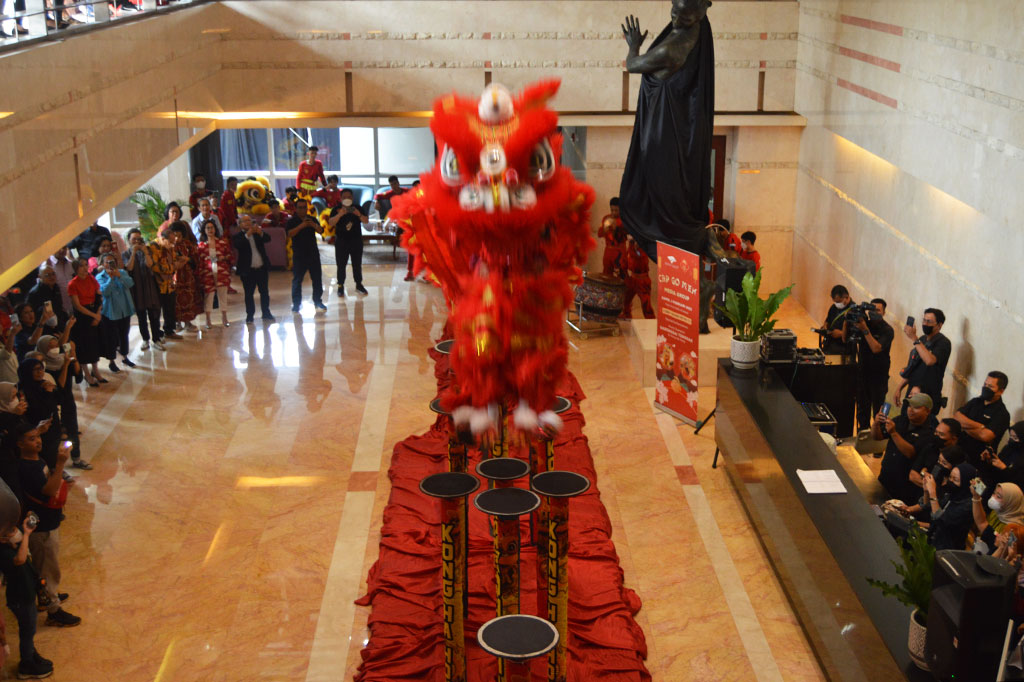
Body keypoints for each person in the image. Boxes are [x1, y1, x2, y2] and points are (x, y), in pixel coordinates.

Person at [14, 428, 80, 628]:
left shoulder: (37, 461)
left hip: (48, 522)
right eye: (31, 439)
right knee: (48, 566)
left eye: (38, 437)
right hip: (42, 527)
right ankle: (53, 609)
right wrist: (60, 464)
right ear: (20, 444)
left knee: (46, 565)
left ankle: (48, 594)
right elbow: (49, 491)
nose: (38, 442)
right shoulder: (27, 467)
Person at [0, 485, 55, 680]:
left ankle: (31, 653)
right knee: (27, 630)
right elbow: (20, 559)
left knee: (29, 630)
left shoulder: (9, 545)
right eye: (10, 529)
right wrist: (27, 535)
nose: (15, 531)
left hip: (26, 594)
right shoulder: (5, 553)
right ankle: (26, 663)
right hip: (20, 599)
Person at [36, 334, 89, 471]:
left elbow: (78, 376)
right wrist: (65, 366)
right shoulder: (43, 369)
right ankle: (57, 468)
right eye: (50, 347)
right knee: (55, 438)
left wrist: (73, 354)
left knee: (72, 431)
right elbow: (58, 386)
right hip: (52, 405)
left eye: (55, 346)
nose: (54, 349)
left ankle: (76, 458)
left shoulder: (61, 359)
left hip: (68, 401)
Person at [873, 392, 937, 505]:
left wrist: (893, 433)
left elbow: (910, 453)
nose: (911, 410)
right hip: (885, 477)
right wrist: (876, 424)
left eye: (916, 407)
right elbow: (877, 437)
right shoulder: (901, 420)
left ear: (927, 411)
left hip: (904, 486)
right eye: (909, 406)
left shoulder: (929, 433)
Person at [849, 298, 894, 431]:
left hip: (879, 378)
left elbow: (876, 348)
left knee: (879, 413)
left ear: (884, 313)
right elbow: (846, 338)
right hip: (863, 375)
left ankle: (878, 446)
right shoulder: (863, 323)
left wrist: (865, 330)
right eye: (872, 309)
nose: (874, 312)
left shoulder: (888, 330)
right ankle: (863, 442)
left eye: (878, 310)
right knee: (862, 413)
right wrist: (848, 321)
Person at [893, 308, 951, 410]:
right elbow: (912, 366)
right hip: (912, 393)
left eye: (929, 321)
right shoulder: (922, 339)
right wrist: (899, 388)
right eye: (924, 320)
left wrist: (914, 338)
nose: (925, 324)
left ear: (939, 325)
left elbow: (929, 360)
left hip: (927, 397)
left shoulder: (943, 343)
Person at [955, 371, 1011, 467]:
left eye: (990, 387)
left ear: (1001, 391)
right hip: (959, 449)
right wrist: (979, 426)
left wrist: (965, 426)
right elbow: (956, 417)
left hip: (978, 460)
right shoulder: (976, 401)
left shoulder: (1002, 414)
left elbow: (985, 436)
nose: (985, 388)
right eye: (985, 384)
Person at [122, 228, 164, 351]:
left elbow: (150, 265)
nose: (136, 241)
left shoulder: (148, 250)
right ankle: (145, 339)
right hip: (137, 288)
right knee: (141, 316)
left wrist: (145, 252)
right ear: (129, 241)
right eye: (133, 239)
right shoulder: (126, 254)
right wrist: (134, 253)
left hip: (149, 287)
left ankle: (156, 339)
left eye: (138, 239)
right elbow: (129, 267)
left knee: (154, 315)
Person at [66, 258, 106, 386]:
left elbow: (99, 296)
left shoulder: (91, 279)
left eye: (85, 265)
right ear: (76, 269)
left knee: (94, 344)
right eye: (81, 266)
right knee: (83, 346)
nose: (84, 268)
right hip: (82, 316)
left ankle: (95, 371)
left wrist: (98, 314)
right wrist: (93, 315)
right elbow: (77, 306)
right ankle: (86, 374)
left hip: (94, 311)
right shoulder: (73, 284)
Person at [95, 253, 136, 372]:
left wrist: (119, 276)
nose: (109, 264)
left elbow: (130, 283)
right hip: (110, 312)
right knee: (111, 337)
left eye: (112, 261)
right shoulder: (100, 277)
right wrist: (110, 279)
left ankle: (125, 356)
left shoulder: (122, 272)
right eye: (107, 262)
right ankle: (112, 361)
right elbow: (104, 292)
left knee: (124, 334)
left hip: (124, 310)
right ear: (103, 264)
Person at [923, 461, 977, 550]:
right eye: (950, 477)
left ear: (965, 483)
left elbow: (941, 520)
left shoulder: (968, 506)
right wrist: (926, 491)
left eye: (955, 480)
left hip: (946, 550)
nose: (950, 481)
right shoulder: (951, 495)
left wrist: (932, 492)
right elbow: (929, 508)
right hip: (932, 540)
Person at [286, 199, 326, 312]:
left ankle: (318, 301)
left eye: (304, 207)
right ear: (296, 208)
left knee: (317, 279)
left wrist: (312, 224)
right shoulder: (292, 221)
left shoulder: (312, 219)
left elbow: (321, 231)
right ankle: (296, 304)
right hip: (299, 254)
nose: (302, 209)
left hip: (313, 253)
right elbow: (289, 234)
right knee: (297, 280)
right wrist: (301, 226)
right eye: (300, 207)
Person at [233, 215, 274, 324]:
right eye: (244, 221)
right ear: (240, 224)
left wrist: (260, 232)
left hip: (261, 268)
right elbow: (238, 245)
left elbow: (268, 238)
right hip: (247, 270)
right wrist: (248, 234)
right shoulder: (238, 236)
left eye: (249, 220)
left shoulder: (257, 233)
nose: (247, 223)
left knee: (264, 292)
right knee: (249, 294)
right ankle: (250, 315)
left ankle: (266, 312)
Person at [328, 188, 369, 297]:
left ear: (352, 198)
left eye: (349, 197)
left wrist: (358, 214)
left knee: (357, 263)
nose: (347, 199)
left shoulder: (358, 208)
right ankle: (340, 286)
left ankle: (359, 284)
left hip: (356, 240)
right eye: (344, 197)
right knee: (341, 264)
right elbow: (331, 223)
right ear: (340, 198)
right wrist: (340, 214)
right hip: (341, 241)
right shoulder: (336, 209)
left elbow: (366, 221)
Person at [197, 219, 234, 329]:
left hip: (221, 272)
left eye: (212, 227)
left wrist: (223, 258)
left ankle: (224, 318)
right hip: (207, 274)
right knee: (209, 297)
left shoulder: (222, 243)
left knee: (223, 296)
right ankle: (208, 320)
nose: (210, 230)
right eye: (207, 228)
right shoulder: (201, 246)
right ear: (204, 230)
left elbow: (230, 256)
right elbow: (199, 261)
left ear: (215, 229)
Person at [971, 481, 1024, 554]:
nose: (993, 497)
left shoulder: (1014, 531)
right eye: (994, 493)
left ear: (1010, 502)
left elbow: (1006, 554)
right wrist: (976, 496)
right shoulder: (997, 512)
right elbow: (982, 523)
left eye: (998, 496)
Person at [150, 229, 182, 341]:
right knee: (156, 312)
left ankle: (169, 331)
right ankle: (157, 335)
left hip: (169, 284)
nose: (173, 245)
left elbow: (174, 260)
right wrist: (172, 267)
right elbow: (154, 267)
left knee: (170, 308)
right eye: (171, 242)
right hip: (157, 285)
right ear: (163, 239)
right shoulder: (154, 247)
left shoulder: (169, 247)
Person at [375, 177, 410, 279]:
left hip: (406, 215)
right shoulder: (389, 193)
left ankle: (402, 241)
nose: (394, 186)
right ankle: (395, 240)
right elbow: (378, 195)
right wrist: (376, 201)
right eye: (391, 185)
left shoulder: (406, 191)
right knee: (386, 227)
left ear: (398, 183)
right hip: (394, 215)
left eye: (395, 184)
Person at [169, 222, 201, 332]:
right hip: (174, 277)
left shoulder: (188, 244)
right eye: (175, 235)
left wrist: (187, 259)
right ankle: (177, 323)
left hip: (187, 277)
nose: (177, 238)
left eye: (179, 235)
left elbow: (196, 259)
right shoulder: (169, 246)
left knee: (188, 299)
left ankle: (188, 323)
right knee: (175, 301)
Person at [27, 265, 68, 333]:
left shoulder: (56, 287)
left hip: (60, 323)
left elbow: (59, 306)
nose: (51, 277)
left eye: (53, 274)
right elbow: (34, 314)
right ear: (40, 277)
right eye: (47, 275)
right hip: (46, 328)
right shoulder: (35, 292)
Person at [621, 236, 654, 319]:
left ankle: (650, 319)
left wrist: (636, 244)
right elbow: (626, 260)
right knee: (626, 299)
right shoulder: (631, 248)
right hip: (633, 279)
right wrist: (626, 275)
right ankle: (626, 314)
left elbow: (638, 255)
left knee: (645, 303)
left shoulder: (642, 250)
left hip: (642, 280)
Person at [820, 285, 852, 355]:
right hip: (829, 345)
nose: (837, 304)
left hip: (844, 349)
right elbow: (828, 320)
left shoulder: (854, 310)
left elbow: (857, 333)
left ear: (846, 297)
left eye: (839, 302)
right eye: (835, 302)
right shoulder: (833, 307)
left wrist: (841, 333)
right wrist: (825, 327)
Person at [45, 248, 76, 315]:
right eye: (59, 248)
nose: (62, 250)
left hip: (74, 306)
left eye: (64, 247)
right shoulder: (47, 266)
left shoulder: (71, 264)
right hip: (58, 309)